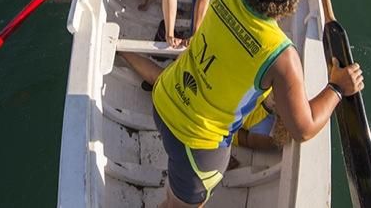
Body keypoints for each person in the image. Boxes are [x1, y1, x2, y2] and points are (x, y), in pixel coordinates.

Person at [152, 0, 364, 207]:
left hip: (164, 99)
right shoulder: (282, 57)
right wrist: (337, 87)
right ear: (293, 1)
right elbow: (304, 129)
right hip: (197, 143)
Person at [118, 51, 289, 151]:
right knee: (161, 78)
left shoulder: (271, 136)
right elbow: (237, 137)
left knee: (162, 78)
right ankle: (125, 52)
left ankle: (124, 51)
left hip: (212, 101)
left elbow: (238, 137)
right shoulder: (277, 101)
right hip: (214, 95)